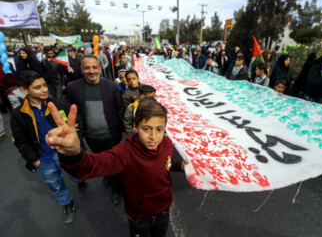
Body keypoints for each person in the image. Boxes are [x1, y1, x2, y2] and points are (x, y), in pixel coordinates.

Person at [45, 98, 189, 236]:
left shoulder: (167, 143)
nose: (153, 136)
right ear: (135, 127)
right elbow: (88, 167)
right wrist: (74, 154)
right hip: (139, 217)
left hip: (164, 209)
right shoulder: (124, 153)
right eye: (146, 128)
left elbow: (167, 163)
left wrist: (179, 165)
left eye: (159, 129)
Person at [10, 70, 86, 224]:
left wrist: (75, 135)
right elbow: (20, 141)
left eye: (44, 85)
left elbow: (76, 120)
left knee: (76, 173)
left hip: (65, 153)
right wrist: (34, 160)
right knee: (55, 184)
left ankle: (80, 180)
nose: (44, 89)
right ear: (24, 90)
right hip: (43, 158)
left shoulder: (57, 104)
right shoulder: (18, 115)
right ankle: (67, 203)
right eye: (37, 87)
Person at [66, 54, 125, 205]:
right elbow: (72, 112)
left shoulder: (111, 86)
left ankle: (116, 190)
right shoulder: (73, 88)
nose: (91, 71)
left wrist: (123, 130)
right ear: (81, 69)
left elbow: (120, 110)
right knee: (100, 162)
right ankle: (107, 177)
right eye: (87, 68)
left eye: (94, 67)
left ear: (100, 68)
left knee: (114, 165)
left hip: (112, 136)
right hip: (91, 138)